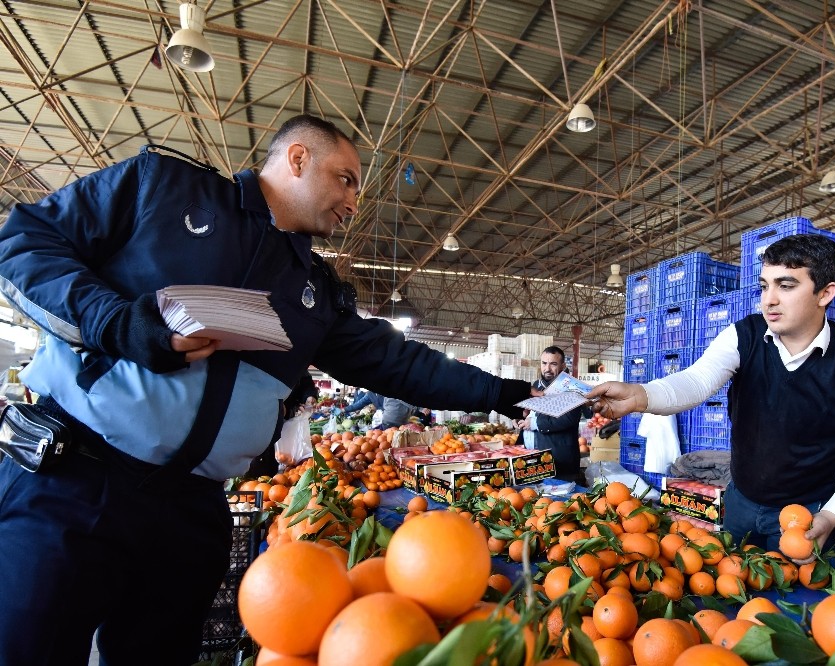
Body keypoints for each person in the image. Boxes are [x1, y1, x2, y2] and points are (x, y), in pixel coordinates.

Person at [0, 114, 533, 666]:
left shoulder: (314, 292)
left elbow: (398, 362)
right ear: (297, 159)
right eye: (346, 179)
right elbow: (24, 242)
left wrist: (506, 393)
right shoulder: (161, 187)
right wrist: (115, 322)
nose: (354, 202)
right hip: (80, 479)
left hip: (192, 510)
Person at [587, 234, 835, 558]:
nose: (769, 300)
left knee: (795, 602)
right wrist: (640, 395)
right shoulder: (744, 336)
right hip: (741, 502)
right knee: (733, 584)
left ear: (825, 293)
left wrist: (832, 514)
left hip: (807, 514)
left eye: (786, 286)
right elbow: (697, 380)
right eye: (765, 286)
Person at [517, 346, 589, 483]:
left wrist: (535, 424)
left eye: (553, 364)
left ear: (562, 365)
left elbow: (569, 419)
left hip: (559, 462)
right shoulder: (537, 385)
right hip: (535, 459)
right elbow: (531, 411)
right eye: (544, 363)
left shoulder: (571, 388)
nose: (547, 368)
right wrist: (520, 417)